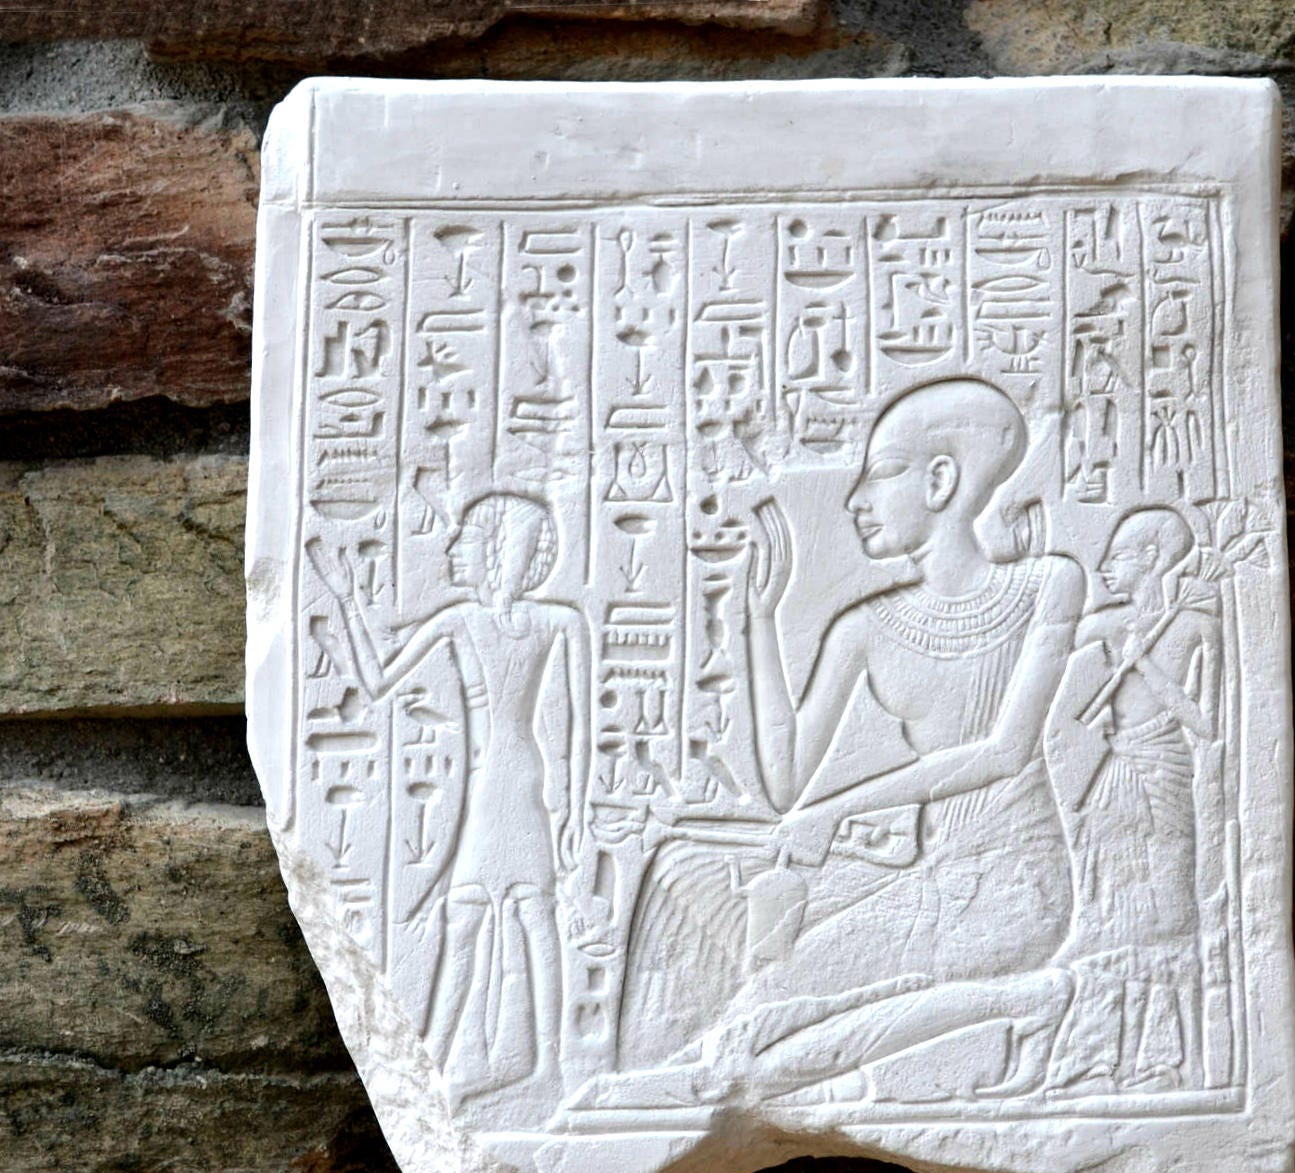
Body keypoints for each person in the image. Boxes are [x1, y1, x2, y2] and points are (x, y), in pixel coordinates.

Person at [603, 377, 1083, 1106]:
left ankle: (1013, 1001)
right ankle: (670, 1070)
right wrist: (758, 620)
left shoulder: (1048, 584)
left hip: (1010, 887)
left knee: (759, 1019)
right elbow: (788, 783)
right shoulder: (864, 626)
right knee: (686, 870)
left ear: (941, 481)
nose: (856, 498)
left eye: (880, 472)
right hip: (929, 875)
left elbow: (1004, 752)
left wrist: (837, 810)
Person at [309, 492, 589, 1112]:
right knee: (516, 919)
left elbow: (377, 679)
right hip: (518, 786)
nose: (455, 547)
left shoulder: (483, 621)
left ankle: (517, 1069)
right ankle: (462, 1065)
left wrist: (349, 597)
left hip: (504, 786)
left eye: (468, 537)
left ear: (497, 551)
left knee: (501, 920)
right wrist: (567, 810)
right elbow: (567, 734)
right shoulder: (545, 622)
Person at [1044, 505, 1221, 1094]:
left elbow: (1206, 723)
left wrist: (1145, 661)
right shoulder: (1103, 627)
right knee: (1106, 910)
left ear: (1150, 558)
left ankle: (1164, 1061)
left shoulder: (1195, 626)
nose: (1103, 566)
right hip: (1113, 776)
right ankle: (1091, 1058)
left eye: (1117, 554)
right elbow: (1066, 714)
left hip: (1164, 771)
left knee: (1165, 913)